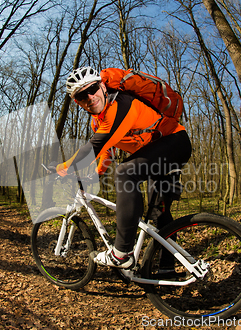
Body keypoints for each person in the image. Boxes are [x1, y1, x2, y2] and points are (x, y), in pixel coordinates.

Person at [54, 66, 192, 269]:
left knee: (125, 173)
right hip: (156, 155)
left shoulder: (121, 104)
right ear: (78, 102)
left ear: (102, 86)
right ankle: (167, 268)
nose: (90, 97)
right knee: (158, 212)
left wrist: (63, 167)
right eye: (82, 95)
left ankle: (121, 253)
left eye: (92, 89)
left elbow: (94, 148)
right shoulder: (98, 123)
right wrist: (94, 176)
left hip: (174, 142)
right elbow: (105, 154)